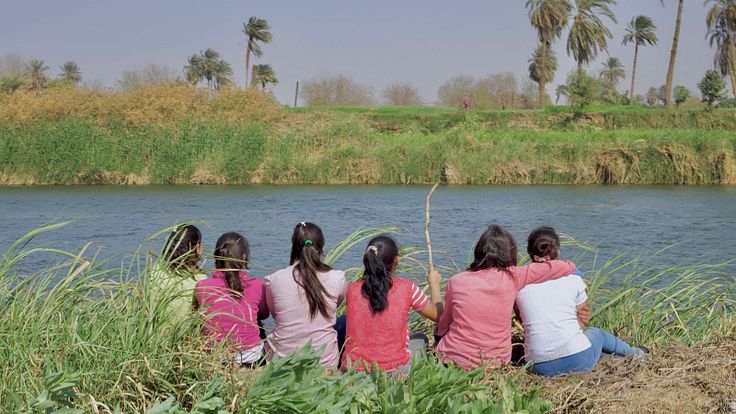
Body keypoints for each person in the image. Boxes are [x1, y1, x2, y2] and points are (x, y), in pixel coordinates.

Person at [435, 225, 577, 370]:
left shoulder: (456, 281)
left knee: (438, 335)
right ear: (510, 253)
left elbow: (443, 325)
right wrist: (568, 264)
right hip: (495, 362)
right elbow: (563, 266)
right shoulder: (514, 276)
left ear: (479, 252)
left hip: (453, 360)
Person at [515, 226, 647, 377]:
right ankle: (637, 353)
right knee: (597, 334)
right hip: (576, 361)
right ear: (557, 251)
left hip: (536, 367)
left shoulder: (519, 284)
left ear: (530, 253)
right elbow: (582, 317)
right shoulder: (574, 279)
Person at [341, 235, 443, 373]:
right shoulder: (407, 288)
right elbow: (438, 316)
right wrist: (434, 285)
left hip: (353, 372)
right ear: (396, 261)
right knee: (421, 339)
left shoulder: (352, 289)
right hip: (395, 371)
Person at [263, 222, 346, 368]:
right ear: (322, 248)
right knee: (342, 322)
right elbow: (335, 306)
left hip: (281, 363)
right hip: (324, 363)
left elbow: (275, 313)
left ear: (292, 247)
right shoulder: (337, 278)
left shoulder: (273, 280)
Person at [194, 232, 268, 367]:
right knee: (256, 319)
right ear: (244, 257)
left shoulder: (202, 287)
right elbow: (264, 313)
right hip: (251, 357)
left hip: (216, 357)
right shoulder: (257, 284)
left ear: (217, 257)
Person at [151, 224, 207, 322]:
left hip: (157, 334)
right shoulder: (200, 279)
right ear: (197, 247)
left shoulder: (155, 272)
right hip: (186, 335)